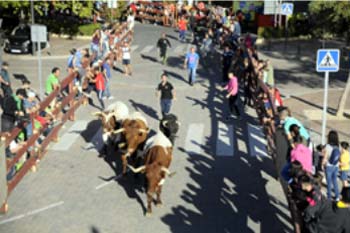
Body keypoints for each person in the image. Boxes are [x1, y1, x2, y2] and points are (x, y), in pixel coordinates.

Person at [322, 130, 341, 201]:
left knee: (329, 182)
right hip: (336, 166)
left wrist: (322, 164)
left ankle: (329, 196)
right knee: (335, 181)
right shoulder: (338, 146)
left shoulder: (327, 146)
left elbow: (325, 157)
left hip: (329, 166)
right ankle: (337, 196)